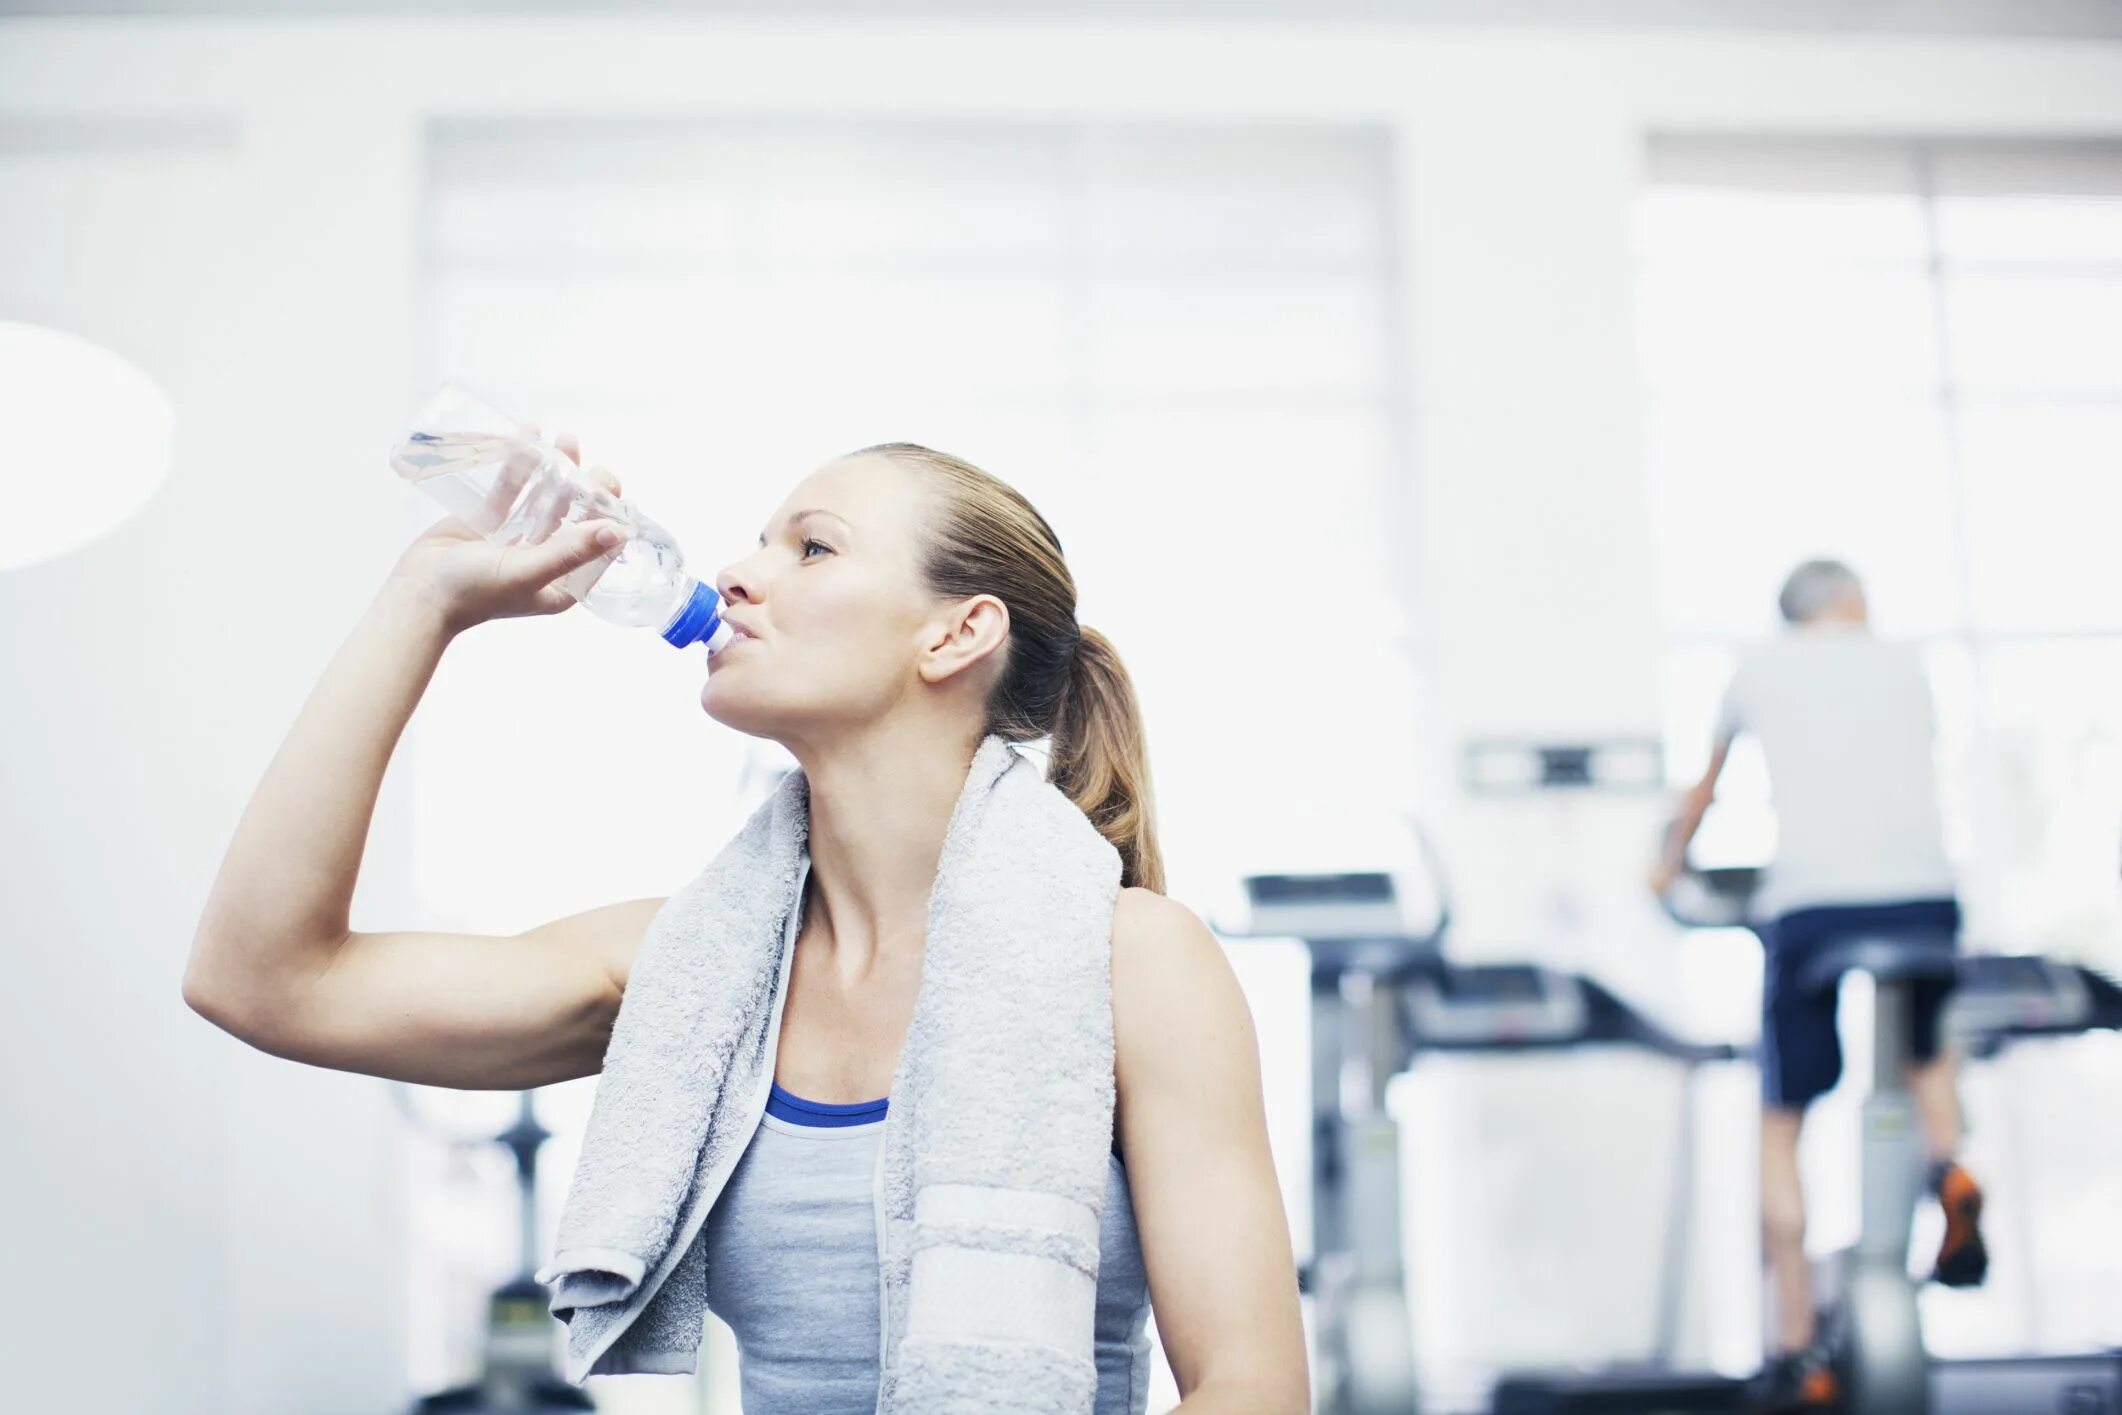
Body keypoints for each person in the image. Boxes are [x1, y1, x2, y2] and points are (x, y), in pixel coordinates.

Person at [183, 432, 1309, 1414]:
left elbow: (1255, 1390)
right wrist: (422, 603)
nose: (735, 573)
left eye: (810, 547)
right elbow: (264, 979)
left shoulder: (1132, 962)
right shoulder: (687, 976)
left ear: (957, 633)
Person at [1649, 558, 1988, 1412]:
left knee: (1782, 1117)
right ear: (1853, 603)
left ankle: (1798, 1340)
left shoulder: (1755, 666)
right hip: (1922, 899)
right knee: (1924, 1059)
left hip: (1812, 905)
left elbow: (1706, 790)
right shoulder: (1906, 661)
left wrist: (1667, 865)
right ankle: (1951, 1168)